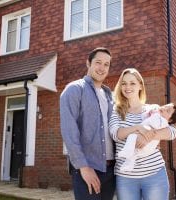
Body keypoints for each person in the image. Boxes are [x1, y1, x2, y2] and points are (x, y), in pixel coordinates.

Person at [109, 68, 176, 200]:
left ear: (140, 85)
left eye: (132, 83)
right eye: (124, 83)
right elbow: (116, 134)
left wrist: (149, 136)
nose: (127, 87)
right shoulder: (116, 111)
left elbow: (173, 131)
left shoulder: (152, 109)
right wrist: (139, 127)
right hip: (126, 178)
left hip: (155, 175)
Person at [60, 47, 115, 200]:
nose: (102, 68)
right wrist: (83, 167)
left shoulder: (109, 95)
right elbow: (69, 132)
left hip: (110, 169)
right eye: (98, 62)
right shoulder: (74, 89)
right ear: (88, 63)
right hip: (88, 169)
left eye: (106, 64)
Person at [118, 103, 176, 171]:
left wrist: (153, 114)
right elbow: (144, 118)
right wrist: (149, 113)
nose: (164, 109)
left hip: (149, 144)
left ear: (170, 120)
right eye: (165, 106)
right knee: (133, 155)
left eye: (168, 111)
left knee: (131, 137)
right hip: (146, 146)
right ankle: (128, 165)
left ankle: (127, 151)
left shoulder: (163, 121)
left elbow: (154, 126)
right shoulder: (155, 112)